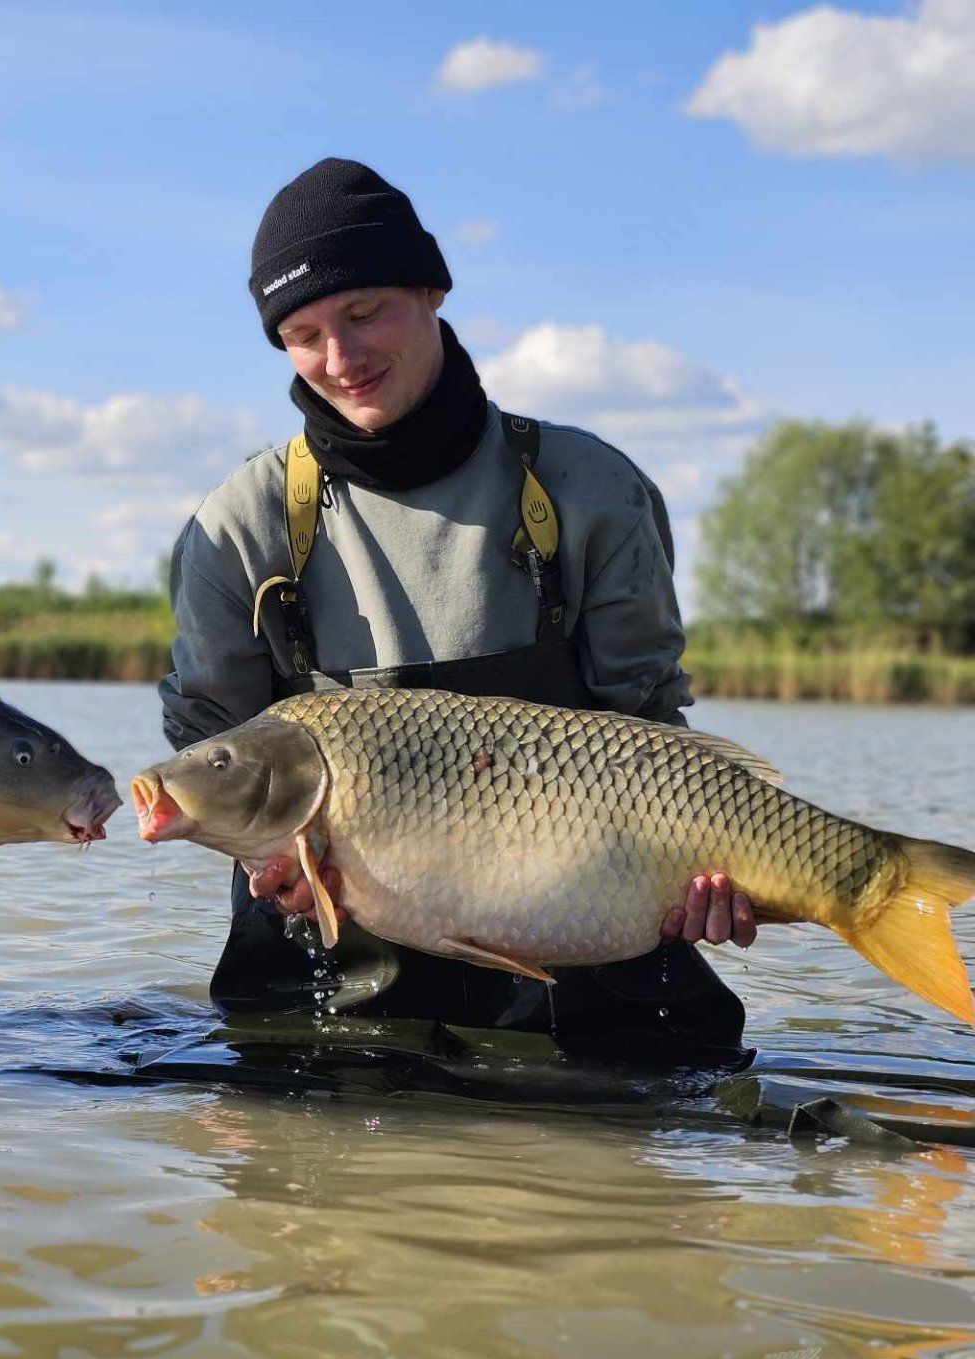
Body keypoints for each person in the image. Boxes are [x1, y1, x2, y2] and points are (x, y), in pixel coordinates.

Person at [159, 159, 754, 1057]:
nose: (342, 358)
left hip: (585, 957)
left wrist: (704, 880)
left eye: (366, 314)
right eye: (304, 332)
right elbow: (209, 756)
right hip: (340, 975)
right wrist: (260, 859)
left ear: (433, 289)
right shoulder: (239, 524)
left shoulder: (589, 488)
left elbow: (653, 732)